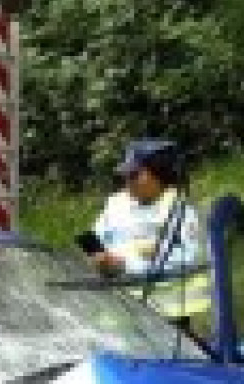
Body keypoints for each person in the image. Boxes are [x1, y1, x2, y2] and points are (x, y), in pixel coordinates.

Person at [88, 138, 211, 326]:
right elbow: (93, 239)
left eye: (135, 175)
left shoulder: (180, 210)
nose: (128, 181)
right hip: (122, 309)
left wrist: (125, 265)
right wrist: (99, 258)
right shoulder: (115, 203)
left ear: (159, 175)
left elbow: (189, 258)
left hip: (169, 314)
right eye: (126, 175)